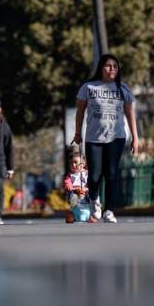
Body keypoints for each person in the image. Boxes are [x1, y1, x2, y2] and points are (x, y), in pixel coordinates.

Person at [72, 54, 140, 224]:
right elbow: (80, 112)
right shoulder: (88, 87)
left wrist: (135, 138)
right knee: (94, 176)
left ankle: (109, 210)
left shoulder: (123, 89)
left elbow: (130, 114)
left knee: (111, 174)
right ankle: (94, 201)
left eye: (115, 66)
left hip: (117, 137)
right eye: (108, 66)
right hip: (94, 138)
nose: (112, 69)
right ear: (101, 68)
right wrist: (78, 133)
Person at [62, 153, 90, 223]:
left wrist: (86, 188)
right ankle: (73, 210)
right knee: (73, 196)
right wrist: (75, 189)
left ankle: (93, 210)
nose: (73, 165)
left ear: (82, 164)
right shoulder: (70, 176)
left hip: (86, 193)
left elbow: (91, 183)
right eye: (71, 163)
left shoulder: (86, 174)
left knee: (92, 195)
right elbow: (67, 185)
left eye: (75, 162)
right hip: (75, 193)